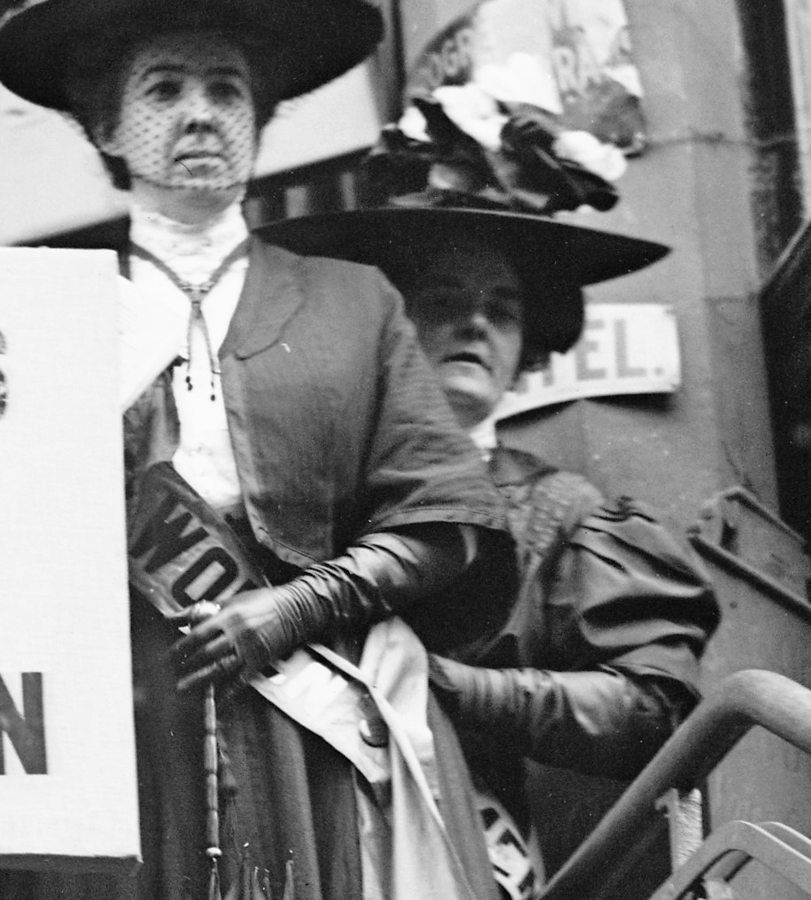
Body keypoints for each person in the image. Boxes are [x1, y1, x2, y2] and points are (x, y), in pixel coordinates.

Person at [0, 1, 516, 898]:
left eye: (226, 90)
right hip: (114, 723)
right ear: (108, 126)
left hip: (306, 712)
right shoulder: (43, 311)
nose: (200, 113)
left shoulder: (354, 305)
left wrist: (294, 608)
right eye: (164, 89)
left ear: (259, 120)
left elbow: (444, 518)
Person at [255, 88, 719, 899]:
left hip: (471, 853)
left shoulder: (565, 515)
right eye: (442, 301)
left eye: (501, 310)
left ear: (528, 345)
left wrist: (452, 690)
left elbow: (651, 707)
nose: (475, 324)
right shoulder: (299, 482)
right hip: (302, 834)